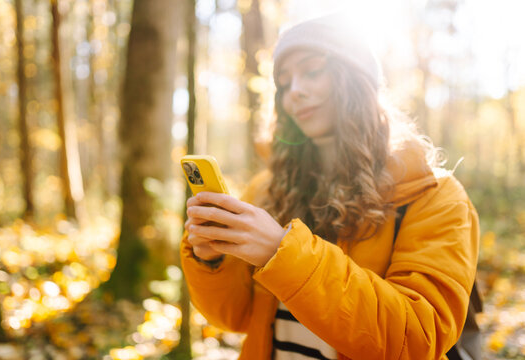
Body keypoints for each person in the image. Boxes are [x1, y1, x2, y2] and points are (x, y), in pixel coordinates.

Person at [180, 13, 479, 360]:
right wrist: (211, 259)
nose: (296, 92)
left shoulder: (433, 194)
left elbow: (418, 339)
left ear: (355, 79)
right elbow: (236, 317)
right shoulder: (266, 190)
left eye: (312, 71)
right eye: (285, 82)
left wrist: (281, 252)